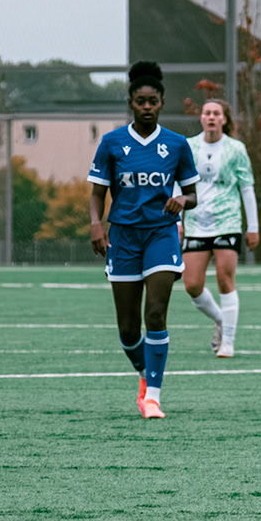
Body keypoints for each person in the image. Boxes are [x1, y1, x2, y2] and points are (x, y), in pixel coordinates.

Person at [88, 61, 199, 418]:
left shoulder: (177, 145)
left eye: (153, 101)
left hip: (161, 234)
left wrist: (182, 199)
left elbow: (193, 194)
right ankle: (143, 372)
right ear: (131, 103)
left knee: (155, 312)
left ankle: (153, 395)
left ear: (162, 102)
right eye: (141, 101)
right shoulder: (112, 143)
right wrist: (95, 224)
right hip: (122, 237)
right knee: (127, 328)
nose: (147, 107)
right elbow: (97, 193)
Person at [179, 98, 259, 358]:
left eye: (216, 113)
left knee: (225, 279)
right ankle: (222, 320)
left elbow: (246, 188)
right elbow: (177, 186)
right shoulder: (188, 147)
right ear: (201, 118)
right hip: (195, 222)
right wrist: (177, 221)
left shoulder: (236, 149)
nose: (211, 117)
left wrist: (253, 227)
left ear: (224, 118)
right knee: (191, 284)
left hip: (227, 222)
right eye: (207, 113)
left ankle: (228, 343)